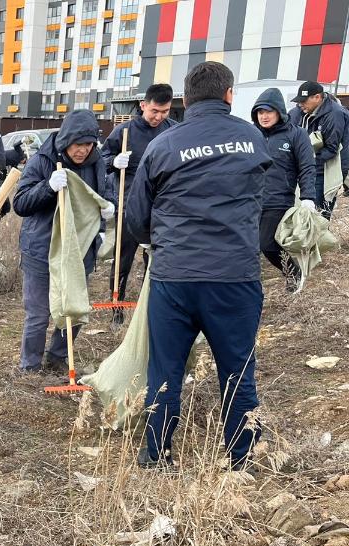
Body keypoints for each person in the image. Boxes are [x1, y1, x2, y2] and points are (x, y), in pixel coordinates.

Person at [126, 61, 272, 470]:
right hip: (235, 277)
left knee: (166, 370)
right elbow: (263, 200)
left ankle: (156, 455)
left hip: (175, 278)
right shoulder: (252, 139)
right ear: (229, 95)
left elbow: (137, 219)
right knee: (238, 369)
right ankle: (243, 459)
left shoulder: (163, 145)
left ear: (184, 101)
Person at [13, 110, 113, 374]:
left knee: (75, 307)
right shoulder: (42, 161)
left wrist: (105, 215)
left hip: (79, 249)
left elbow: (102, 194)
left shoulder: (97, 162)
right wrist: (47, 187)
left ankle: (57, 357)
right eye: (78, 144)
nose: (82, 150)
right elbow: (20, 204)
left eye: (88, 145)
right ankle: (29, 366)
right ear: (66, 140)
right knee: (39, 313)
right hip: (42, 249)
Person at [101, 83, 177, 325]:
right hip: (128, 205)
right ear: (143, 105)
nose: (159, 117)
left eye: (164, 111)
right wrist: (114, 162)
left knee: (154, 260)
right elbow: (100, 160)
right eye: (155, 110)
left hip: (161, 207)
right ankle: (117, 308)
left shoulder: (173, 131)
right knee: (123, 259)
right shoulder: (124, 131)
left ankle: (148, 308)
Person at [251, 88, 317, 290]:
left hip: (278, 199)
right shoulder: (252, 135)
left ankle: (294, 273)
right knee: (249, 247)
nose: (264, 116)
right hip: (250, 200)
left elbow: (307, 167)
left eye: (268, 111)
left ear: (279, 111)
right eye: (260, 112)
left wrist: (308, 197)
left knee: (267, 244)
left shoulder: (296, 135)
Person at [289, 80, 348, 219]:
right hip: (303, 166)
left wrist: (306, 161)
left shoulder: (335, 114)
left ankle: (319, 238)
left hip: (326, 168)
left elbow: (331, 148)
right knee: (297, 211)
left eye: (304, 101)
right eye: (299, 101)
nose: (300, 104)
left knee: (318, 213)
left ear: (317, 97)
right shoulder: (297, 112)